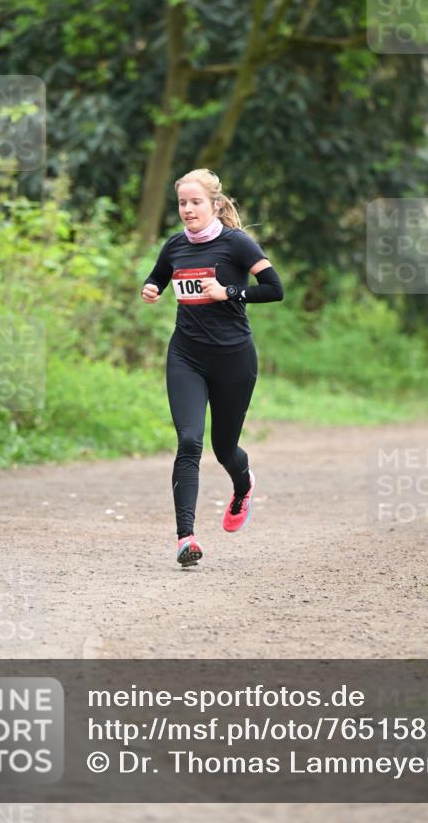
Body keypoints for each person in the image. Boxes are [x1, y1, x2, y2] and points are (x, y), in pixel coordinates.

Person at [141, 168, 284, 567]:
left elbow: (275, 289)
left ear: (215, 205)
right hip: (186, 355)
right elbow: (158, 277)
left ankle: (243, 484)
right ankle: (185, 538)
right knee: (189, 441)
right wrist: (151, 289)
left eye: (196, 202)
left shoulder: (237, 244)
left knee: (224, 449)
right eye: (182, 203)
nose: (188, 209)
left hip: (234, 359)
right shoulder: (175, 246)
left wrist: (229, 292)